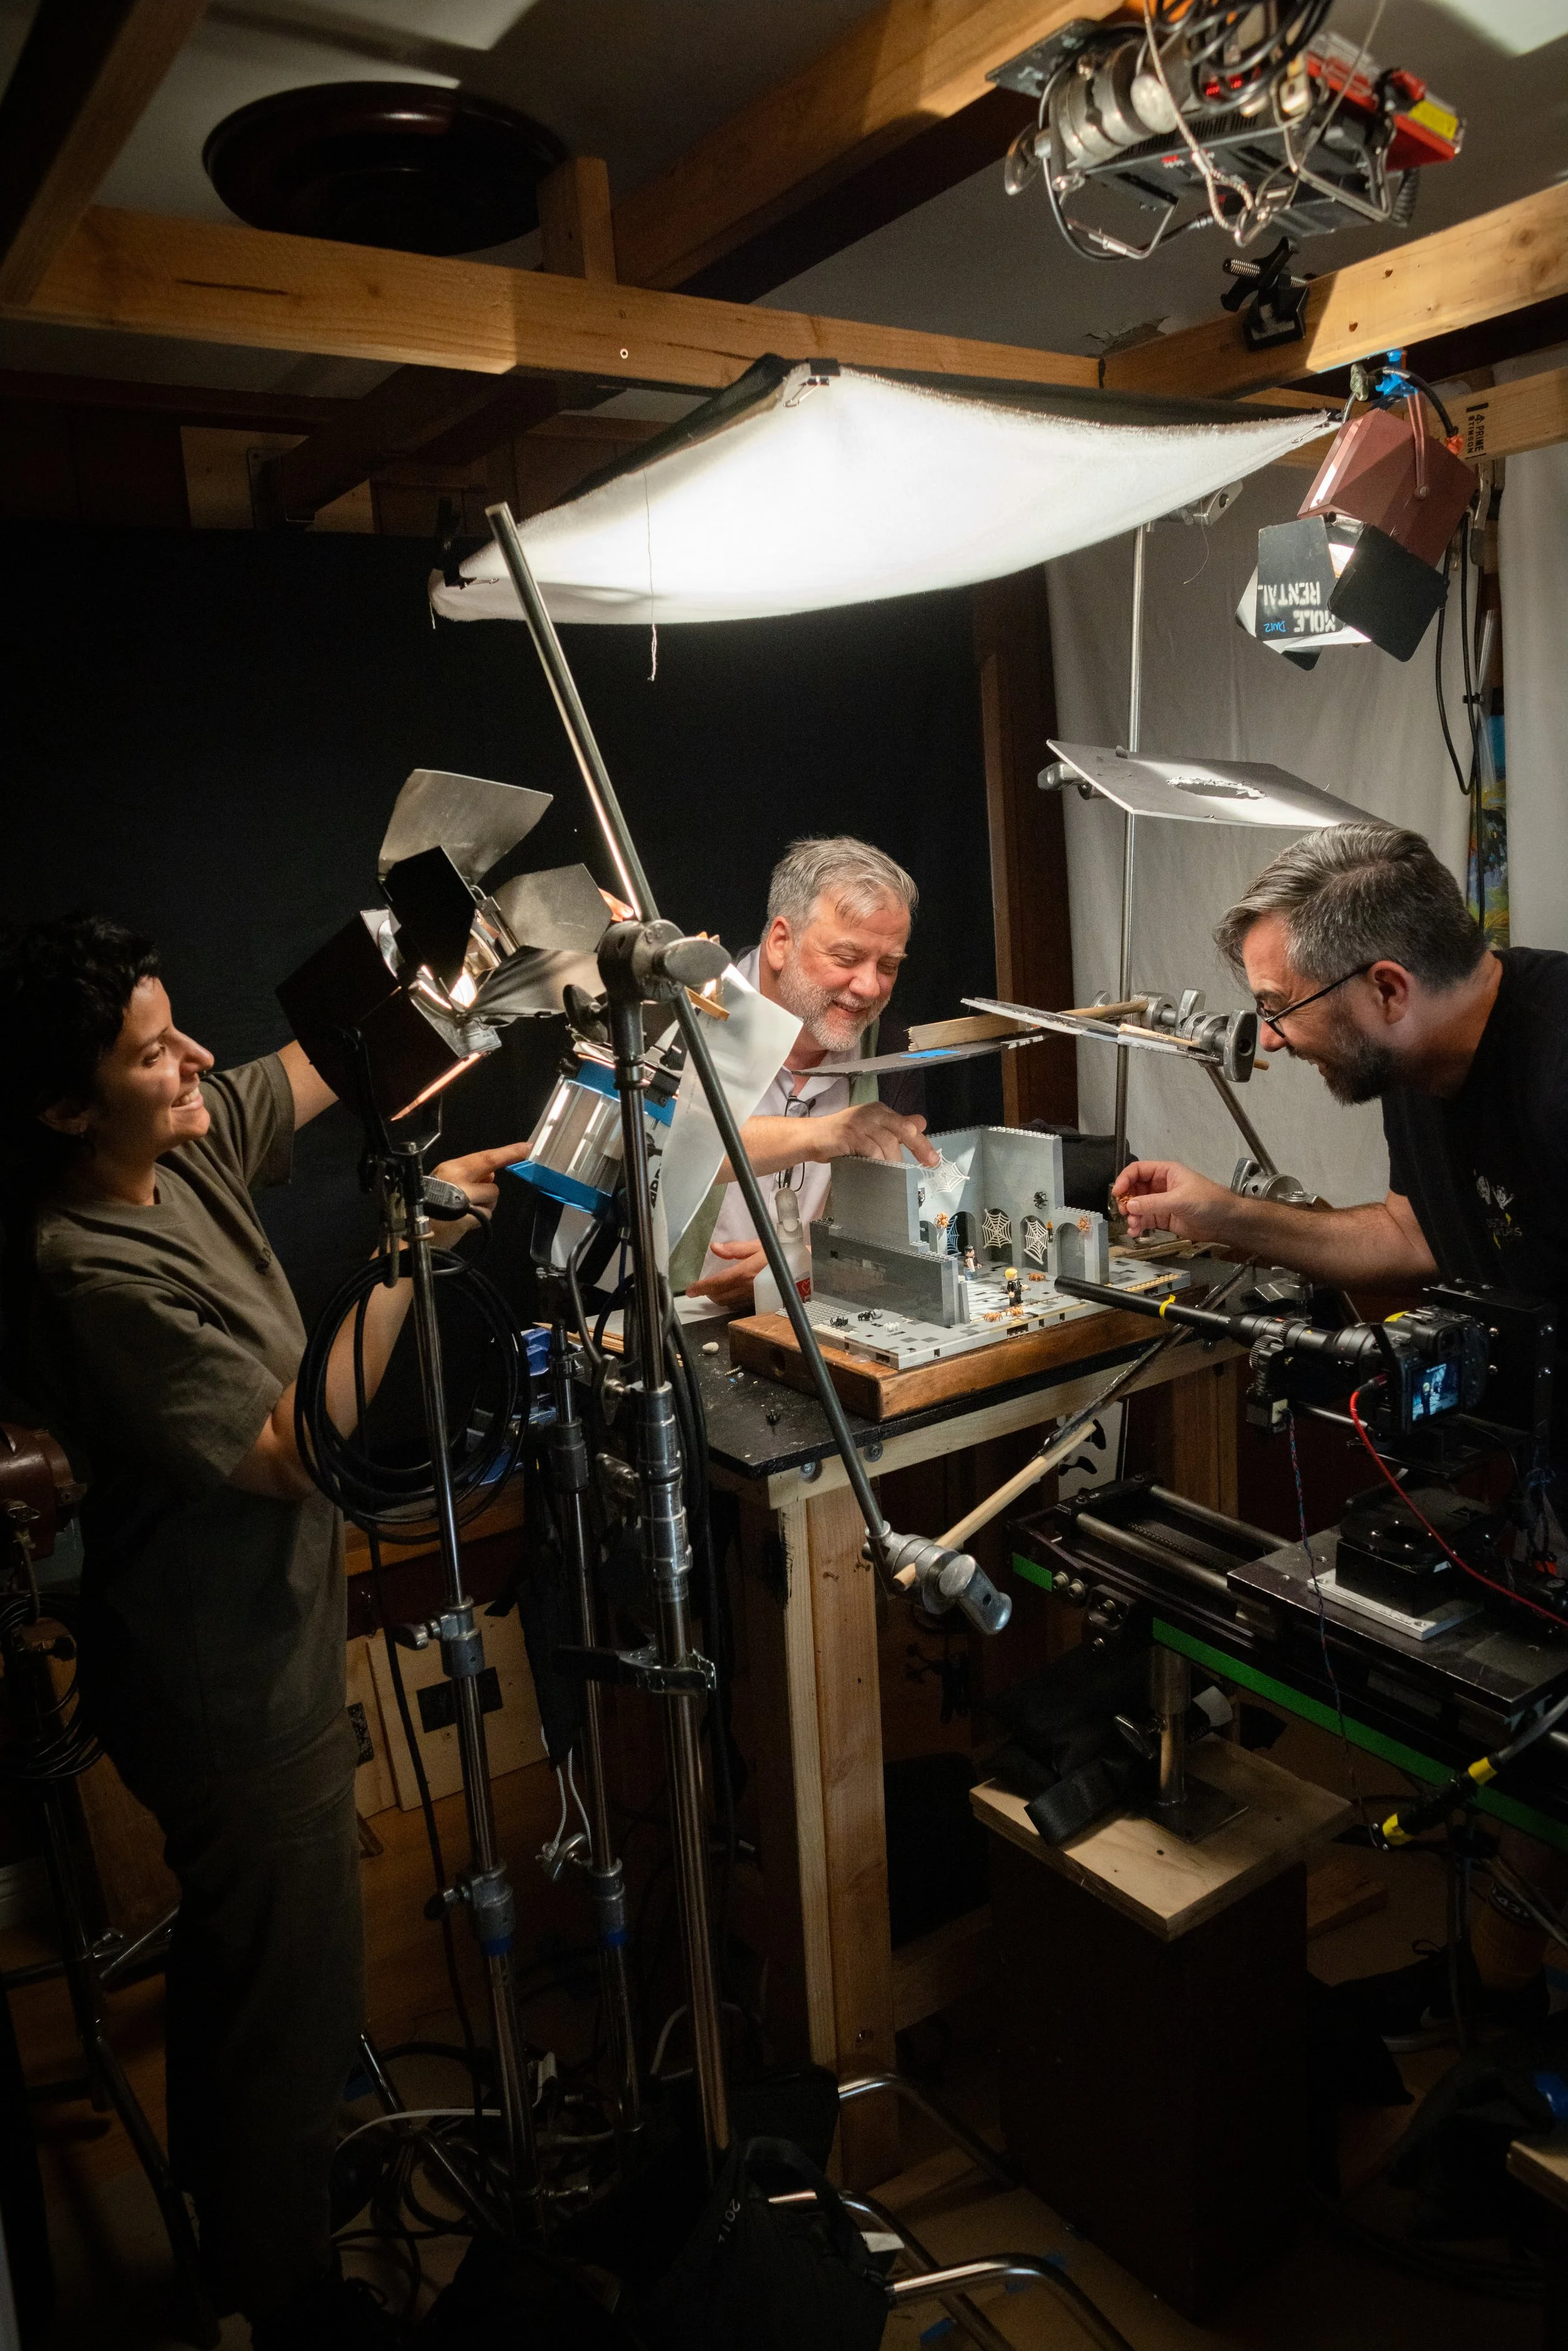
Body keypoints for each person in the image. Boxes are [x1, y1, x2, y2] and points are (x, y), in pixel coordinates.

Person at [0, 915, 528, 2349]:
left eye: (180, 1025)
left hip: (267, 1643)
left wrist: (450, 949)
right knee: (278, 2006)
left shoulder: (177, 1140)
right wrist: (413, 1251)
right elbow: (294, 1448)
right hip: (219, 1684)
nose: (194, 1058)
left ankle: (264, 2235)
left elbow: (322, 1061)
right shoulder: (84, 1263)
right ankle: (279, 2299)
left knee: (273, 1977)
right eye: (151, 1051)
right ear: (61, 1105)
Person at [1111, 821, 1568, 2038]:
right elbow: (1417, 1232)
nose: (1264, 1036)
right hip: (1541, 1484)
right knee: (1531, 1779)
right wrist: (1226, 1216)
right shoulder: (1422, 1073)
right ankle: (1497, 2027)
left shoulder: (1556, 1054)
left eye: (1277, 1006)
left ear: (1382, 987)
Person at [674, 836, 940, 1309]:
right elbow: (662, 1151)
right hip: (670, 1324)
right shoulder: (678, 1021)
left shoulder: (894, 1046)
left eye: (890, 965)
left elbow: (903, 1217)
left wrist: (824, 1259)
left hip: (816, 1314)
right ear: (781, 942)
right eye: (846, 958)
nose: (869, 986)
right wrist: (823, 1134)